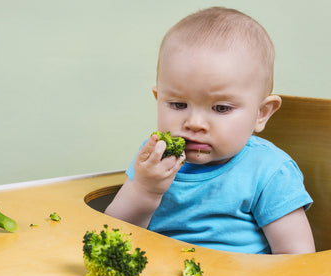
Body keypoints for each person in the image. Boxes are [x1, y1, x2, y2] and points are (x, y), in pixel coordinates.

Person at [104, 7, 315, 254]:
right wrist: (144, 189)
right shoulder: (154, 158)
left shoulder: (269, 170)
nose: (194, 123)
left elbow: (298, 261)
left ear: (261, 113)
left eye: (221, 108)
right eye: (178, 104)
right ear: (158, 97)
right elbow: (113, 236)